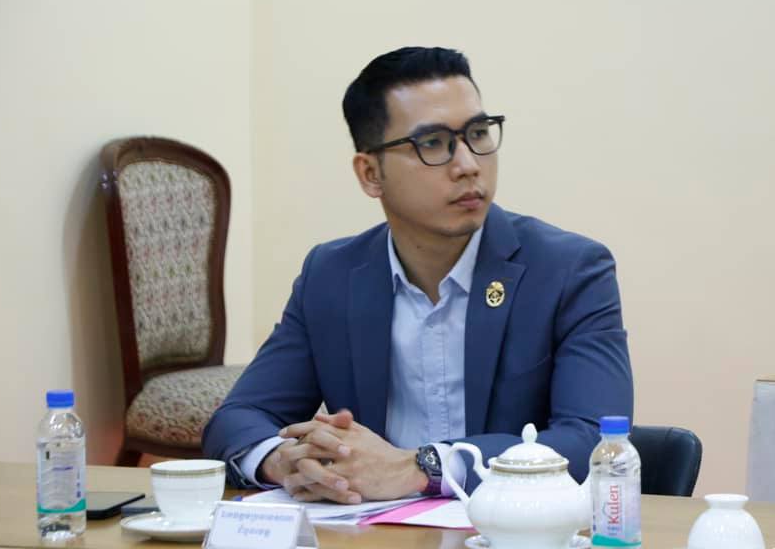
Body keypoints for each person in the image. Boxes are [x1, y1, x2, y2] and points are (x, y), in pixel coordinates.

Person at [202, 46, 633, 504]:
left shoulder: (569, 270)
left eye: (478, 134)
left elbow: (594, 440)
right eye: (433, 143)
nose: (468, 164)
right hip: (374, 531)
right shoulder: (331, 276)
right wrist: (285, 461)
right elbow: (238, 418)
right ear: (371, 174)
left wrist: (419, 468)